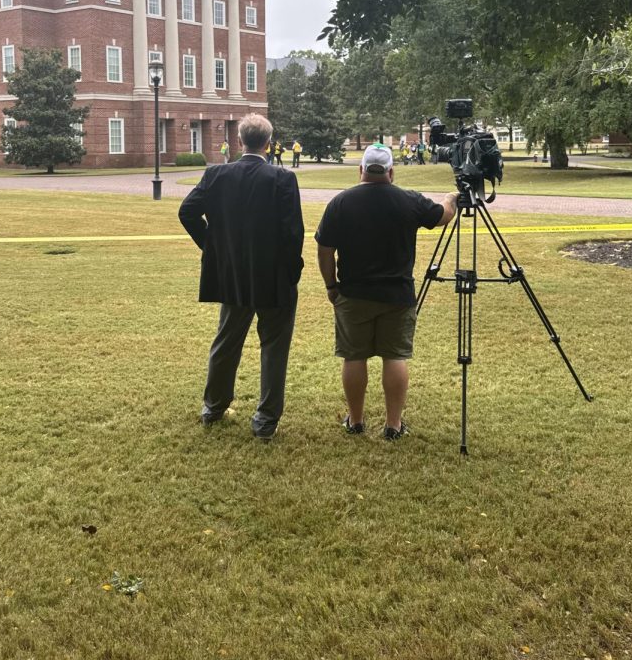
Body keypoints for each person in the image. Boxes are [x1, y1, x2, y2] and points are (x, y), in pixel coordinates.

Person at [315, 143, 457, 440]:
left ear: (361, 170)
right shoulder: (409, 200)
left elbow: (325, 250)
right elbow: (443, 216)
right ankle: (393, 426)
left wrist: (331, 286)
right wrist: (450, 199)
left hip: (353, 294)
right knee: (395, 357)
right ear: (391, 171)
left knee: (354, 357)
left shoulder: (340, 203)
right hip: (397, 295)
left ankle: (355, 421)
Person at [179, 113, 305, 439]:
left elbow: (187, 212)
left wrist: (214, 249)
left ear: (239, 142)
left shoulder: (217, 174)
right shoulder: (282, 178)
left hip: (233, 273)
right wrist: (293, 272)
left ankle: (214, 407)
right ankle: (265, 421)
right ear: (268, 143)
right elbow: (294, 233)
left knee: (227, 340)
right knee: (274, 348)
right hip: (274, 277)